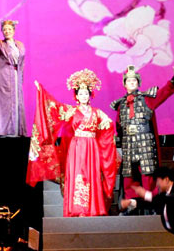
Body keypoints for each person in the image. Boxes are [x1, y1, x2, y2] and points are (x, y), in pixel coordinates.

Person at [32, 70, 117, 216]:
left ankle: (93, 208)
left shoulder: (97, 112)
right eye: (81, 93)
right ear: (76, 96)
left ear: (90, 95)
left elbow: (108, 125)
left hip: (91, 147)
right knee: (78, 174)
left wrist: (107, 135)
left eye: (86, 93)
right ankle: (78, 209)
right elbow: (54, 107)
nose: (83, 96)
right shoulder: (71, 111)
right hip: (76, 148)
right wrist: (42, 92)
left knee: (91, 174)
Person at [109, 65, 174, 198]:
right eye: (129, 81)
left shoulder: (146, 99)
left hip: (144, 143)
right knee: (129, 177)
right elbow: (119, 126)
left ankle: (151, 203)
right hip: (129, 145)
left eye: (134, 80)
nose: (132, 83)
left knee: (148, 175)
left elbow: (163, 93)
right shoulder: (121, 105)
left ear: (138, 83)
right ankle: (132, 204)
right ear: (125, 84)